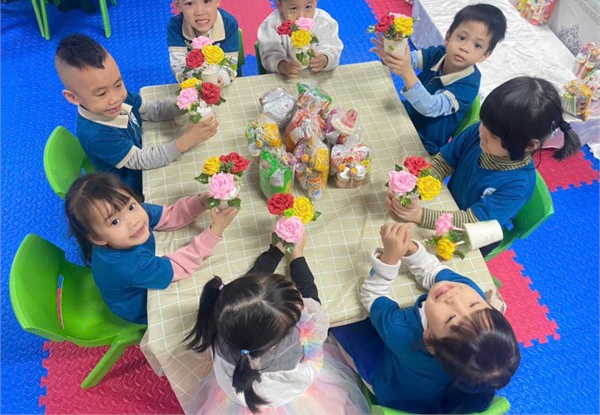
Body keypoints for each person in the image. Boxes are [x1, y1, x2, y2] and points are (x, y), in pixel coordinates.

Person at [333, 223, 520, 413]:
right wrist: (409, 249)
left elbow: (372, 295)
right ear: (490, 306)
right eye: (474, 305)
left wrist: (389, 258)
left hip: (394, 389)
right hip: (432, 389)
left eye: (451, 318)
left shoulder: (404, 332)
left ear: (429, 338)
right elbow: (432, 270)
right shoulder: (470, 295)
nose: (455, 298)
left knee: (341, 324)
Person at [388, 77, 582, 255]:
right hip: (450, 206)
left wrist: (420, 215)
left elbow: (473, 222)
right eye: (484, 123)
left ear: (529, 145)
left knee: (413, 255)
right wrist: (413, 189)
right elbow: (444, 161)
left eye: (494, 136)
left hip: (472, 235)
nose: (482, 133)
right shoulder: (479, 132)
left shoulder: (518, 185)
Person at [185, 234, 369, 414]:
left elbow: (249, 293)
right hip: (294, 398)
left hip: (241, 397)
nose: (301, 304)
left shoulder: (223, 322)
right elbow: (312, 299)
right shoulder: (296, 345)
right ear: (273, 345)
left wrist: (277, 250)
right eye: (297, 307)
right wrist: (297, 255)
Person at [55, 34, 218, 197]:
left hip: (144, 152)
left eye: (118, 84)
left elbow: (152, 110)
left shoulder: (118, 99)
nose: (115, 98)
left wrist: (186, 101)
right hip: (131, 190)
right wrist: (186, 141)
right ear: (73, 97)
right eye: (102, 93)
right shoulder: (96, 134)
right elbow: (141, 160)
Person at [65, 173, 238, 324]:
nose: (134, 222)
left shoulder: (130, 213)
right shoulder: (125, 266)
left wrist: (201, 201)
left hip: (138, 273)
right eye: (115, 222)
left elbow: (169, 215)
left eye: (131, 206)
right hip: (139, 306)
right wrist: (215, 231)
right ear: (98, 238)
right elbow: (175, 268)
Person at [372, 3, 507, 155]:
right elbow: (409, 60)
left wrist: (407, 72)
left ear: (485, 55)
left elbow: (431, 107)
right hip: (405, 114)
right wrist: (391, 55)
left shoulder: (469, 85)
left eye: (477, 45)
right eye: (462, 37)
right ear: (448, 37)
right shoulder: (439, 53)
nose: (465, 47)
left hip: (424, 143)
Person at [257, 0, 343, 79]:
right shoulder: (272, 25)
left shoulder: (325, 23)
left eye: (308, 7)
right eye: (293, 8)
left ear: (316, 0)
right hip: (285, 79)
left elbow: (333, 50)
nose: (301, 16)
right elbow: (269, 55)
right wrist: (283, 66)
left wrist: (325, 59)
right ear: (280, 5)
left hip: (317, 78)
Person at [167, 0, 239, 85]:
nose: (199, 12)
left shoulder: (228, 24)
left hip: (224, 83)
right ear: (178, 5)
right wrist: (196, 84)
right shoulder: (176, 27)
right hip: (192, 84)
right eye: (189, 3)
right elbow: (179, 67)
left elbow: (230, 65)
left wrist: (220, 80)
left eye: (206, 1)